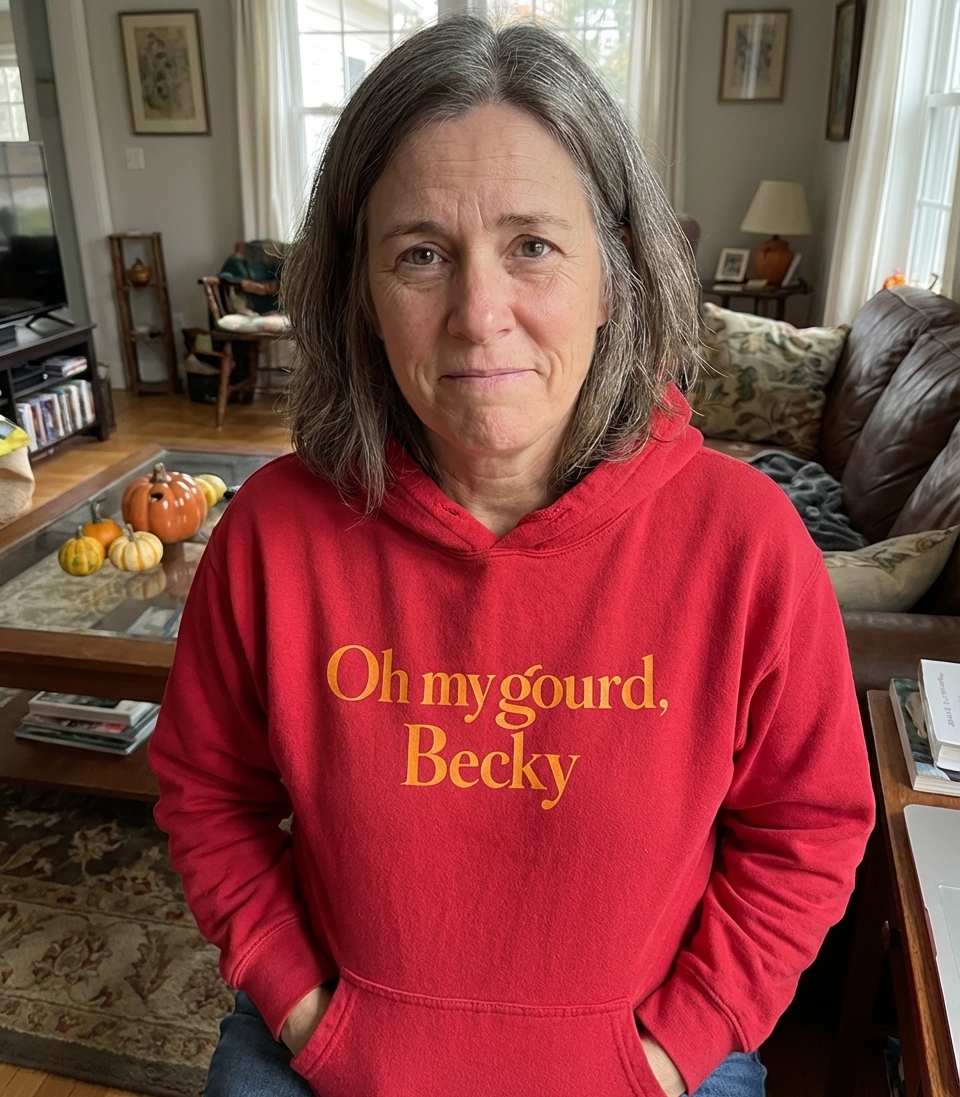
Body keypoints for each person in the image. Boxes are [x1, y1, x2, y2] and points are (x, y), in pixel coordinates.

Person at [149, 16, 874, 1097]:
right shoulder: (269, 534)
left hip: (653, 1065)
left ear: (615, 272)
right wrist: (308, 1011)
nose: (478, 315)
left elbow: (806, 830)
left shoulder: (749, 545)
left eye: (531, 244)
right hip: (321, 1055)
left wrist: (675, 1048)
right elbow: (207, 793)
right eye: (421, 254)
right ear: (359, 290)